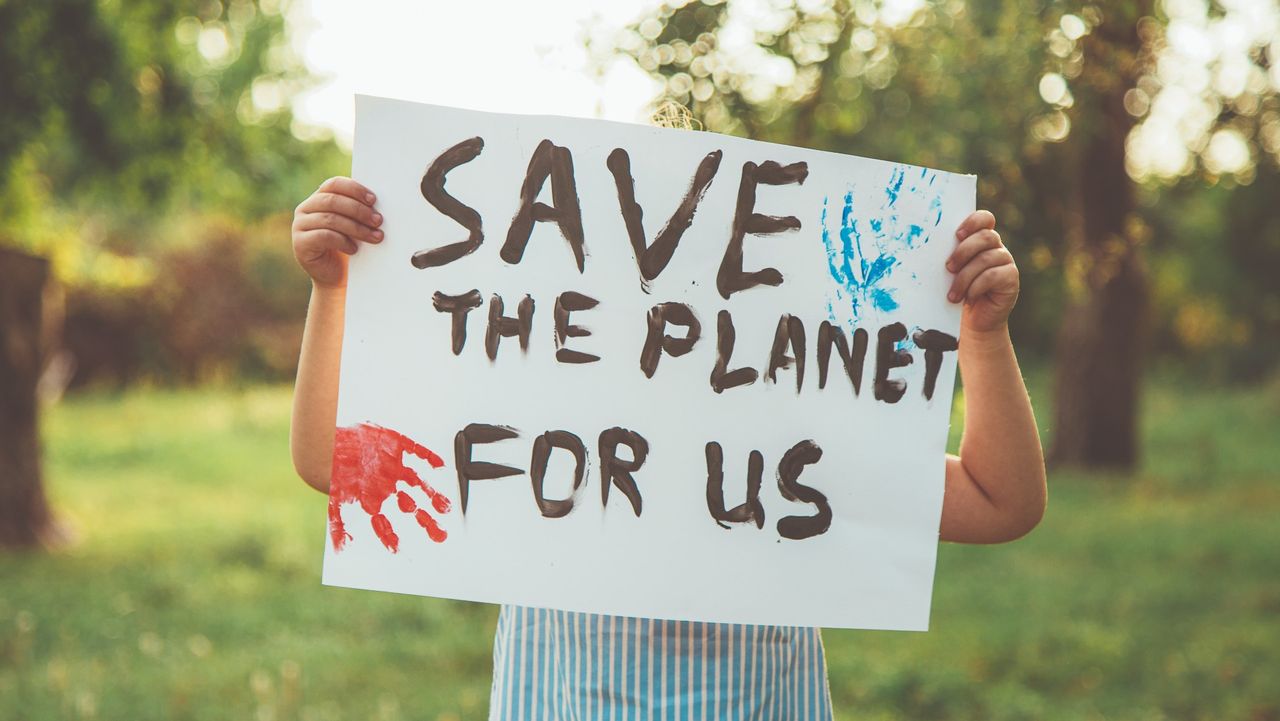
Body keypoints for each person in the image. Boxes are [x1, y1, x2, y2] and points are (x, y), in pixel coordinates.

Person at [289, 170, 1047, 720]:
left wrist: (981, 335)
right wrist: (335, 290)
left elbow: (1000, 499)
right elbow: (332, 459)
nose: (666, 340)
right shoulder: (536, 440)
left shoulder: (799, 455)